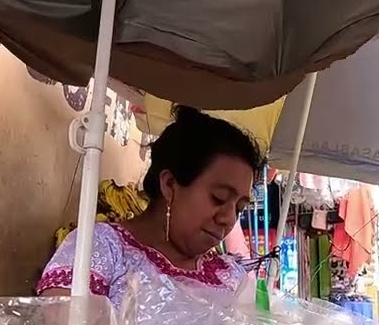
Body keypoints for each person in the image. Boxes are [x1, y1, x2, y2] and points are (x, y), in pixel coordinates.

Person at [38, 105, 262, 309]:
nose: (228, 218)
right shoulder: (97, 248)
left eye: (239, 208)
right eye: (219, 198)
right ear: (170, 184)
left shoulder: (229, 277)